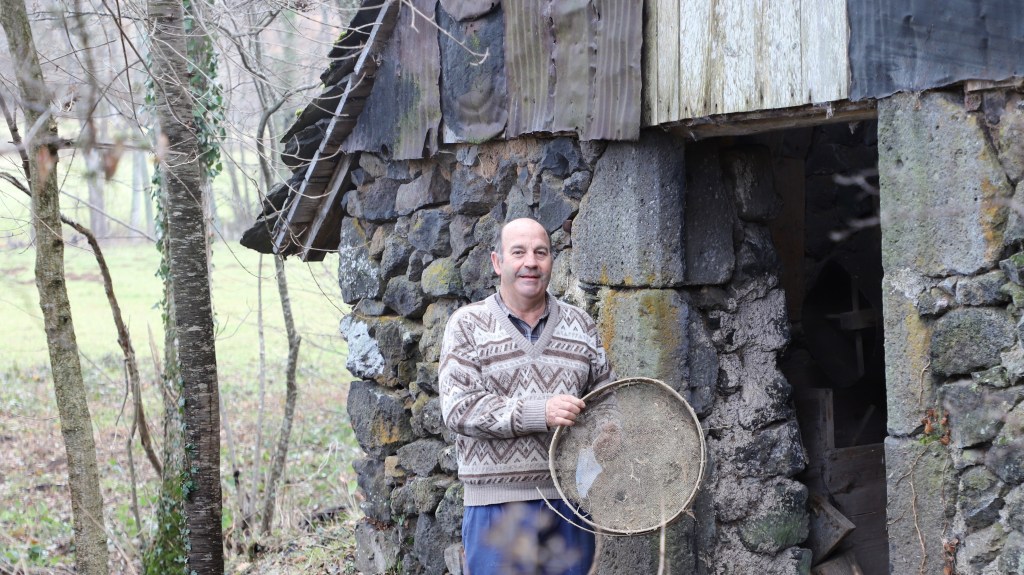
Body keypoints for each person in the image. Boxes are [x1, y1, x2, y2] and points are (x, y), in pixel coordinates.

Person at [439, 217, 616, 575]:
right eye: (518, 252)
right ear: (497, 262)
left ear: (552, 261)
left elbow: (607, 400)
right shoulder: (467, 325)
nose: (530, 262)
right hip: (498, 508)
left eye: (541, 252)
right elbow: (459, 408)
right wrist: (540, 413)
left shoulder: (581, 325)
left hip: (570, 507)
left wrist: (608, 432)